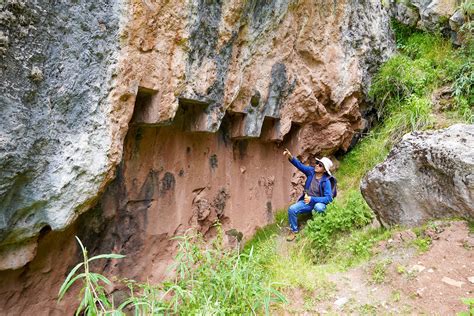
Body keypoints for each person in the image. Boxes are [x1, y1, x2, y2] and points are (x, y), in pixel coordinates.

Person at [283, 148, 333, 241]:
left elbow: (329, 199)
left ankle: (319, 224)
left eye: (320, 165)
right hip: (306, 202)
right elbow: (300, 166)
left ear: (324, 170)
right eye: (318, 163)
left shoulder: (326, 181)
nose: (317, 165)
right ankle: (294, 231)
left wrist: (312, 199)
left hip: (317, 203)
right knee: (292, 209)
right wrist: (291, 157)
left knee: (319, 207)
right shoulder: (311, 171)